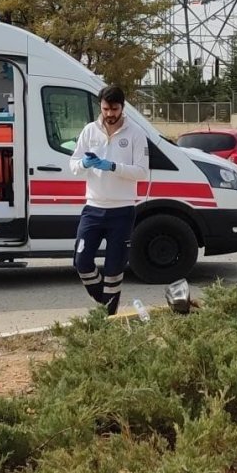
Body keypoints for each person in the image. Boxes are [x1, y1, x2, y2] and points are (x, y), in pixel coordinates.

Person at [69, 85, 150, 315]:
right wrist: (84, 164)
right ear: (100, 107)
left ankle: (108, 318)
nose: (110, 114)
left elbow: (142, 171)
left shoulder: (135, 133)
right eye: (106, 109)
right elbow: (74, 164)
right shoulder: (89, 131)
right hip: (93, 208)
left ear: (122, 108)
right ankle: (105, 303)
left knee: (114, 269)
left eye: (114, 109)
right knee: (81, 262)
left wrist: (113, 166)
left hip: (122, 211)